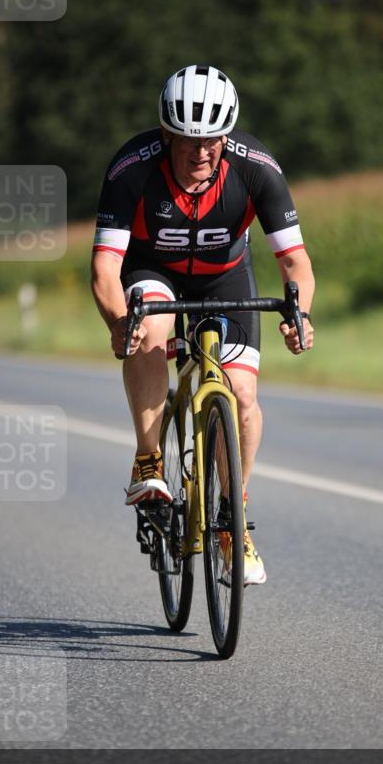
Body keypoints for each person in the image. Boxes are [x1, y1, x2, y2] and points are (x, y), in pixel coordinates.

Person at [91, 65, 315, 585]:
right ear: (166, 134)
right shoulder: (132, 168)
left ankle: (233, 522)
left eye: (212, 140)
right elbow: (105, 267)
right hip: (152, 270)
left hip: (226, 276)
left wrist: (300, 314)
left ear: (227, 135)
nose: (201, 152)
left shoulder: (255, 167)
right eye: (188, 141)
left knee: (241, 394)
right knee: (147, 329)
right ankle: (149, 461)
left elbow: (295, 262)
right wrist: (118, 322)